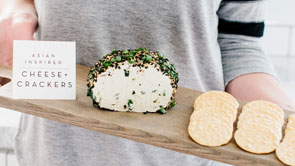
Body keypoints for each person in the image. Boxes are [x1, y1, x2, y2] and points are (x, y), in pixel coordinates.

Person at [0, 0, 294, 166]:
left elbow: (237, 39)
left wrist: (279, 116)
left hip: (180, 156)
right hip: (55, 151)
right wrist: (19, 9)